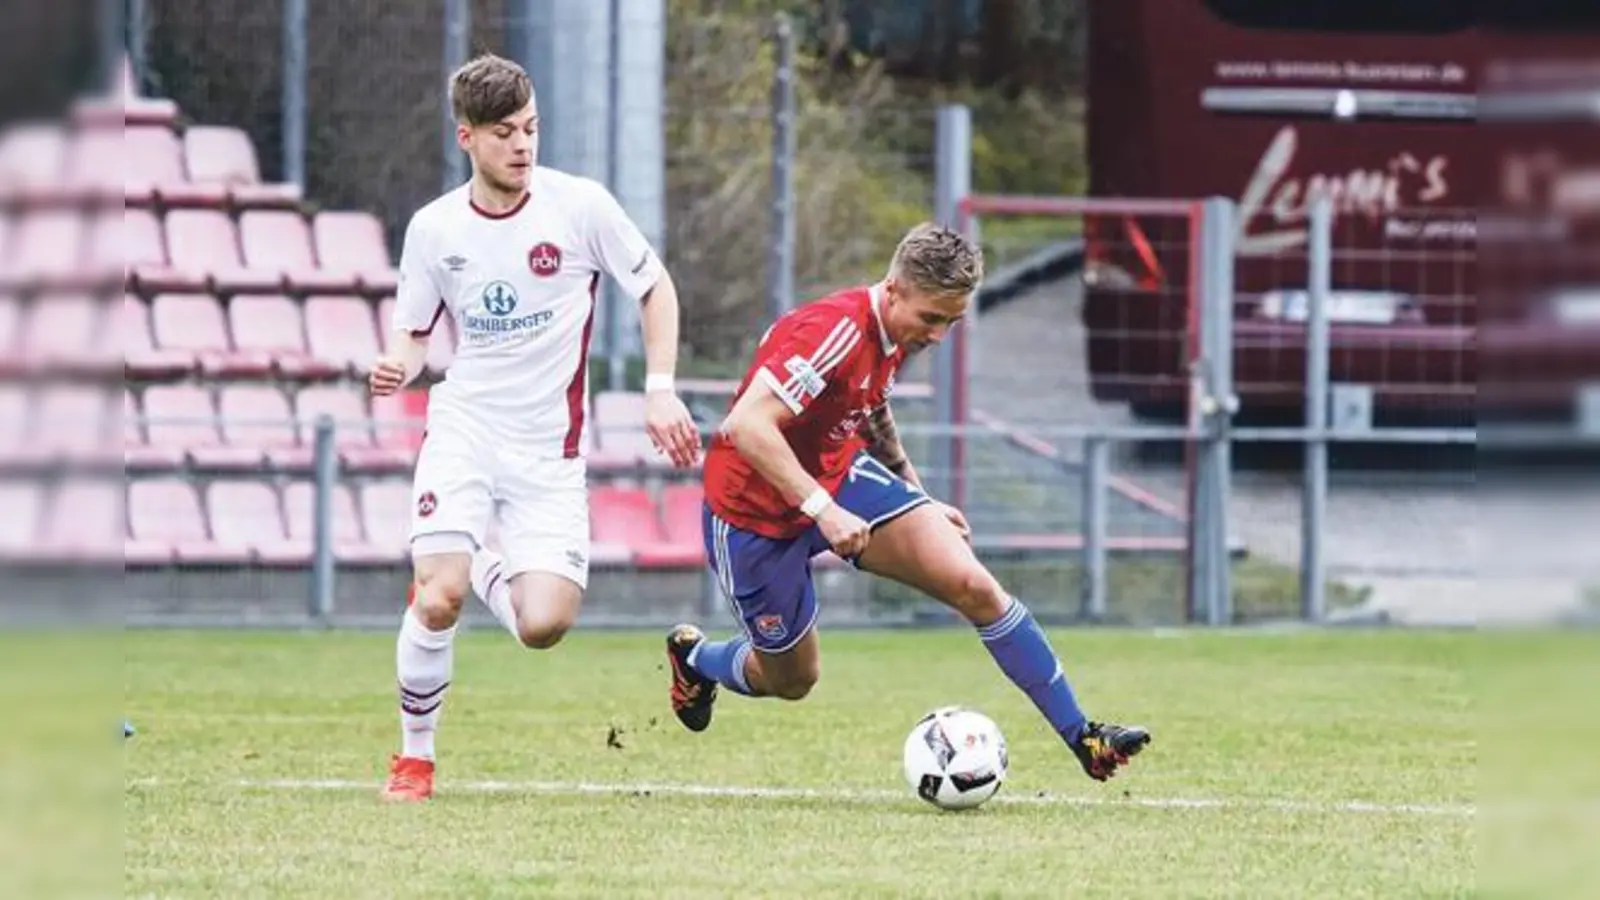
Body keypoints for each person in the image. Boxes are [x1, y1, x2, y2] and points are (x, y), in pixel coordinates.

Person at [665, 223, 1150, 782]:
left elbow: (869, 406)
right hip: (753, 513)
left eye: (952, 320)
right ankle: (696, 659)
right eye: (932, 318)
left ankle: (1084, 735)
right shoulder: (832, 330)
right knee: (793, 680)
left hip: (838, 475)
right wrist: (824, 509)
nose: (939, 334)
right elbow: (746, 425)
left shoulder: (893, 333)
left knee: (975, 585)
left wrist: (918, 501)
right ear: (893, 289)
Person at [369, 53, 701, 802]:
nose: (523, 145)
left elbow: (655, 288)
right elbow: (414, 333)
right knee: (436, 597)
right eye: (504, 133)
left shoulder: (580, 207)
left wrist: (659, 390)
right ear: (467, 138)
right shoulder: (434, 229)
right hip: (464, 428)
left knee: (542, 625)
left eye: (531, 128)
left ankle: (481, 564)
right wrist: (397, 362)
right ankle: (414, 760)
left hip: (549, 451)